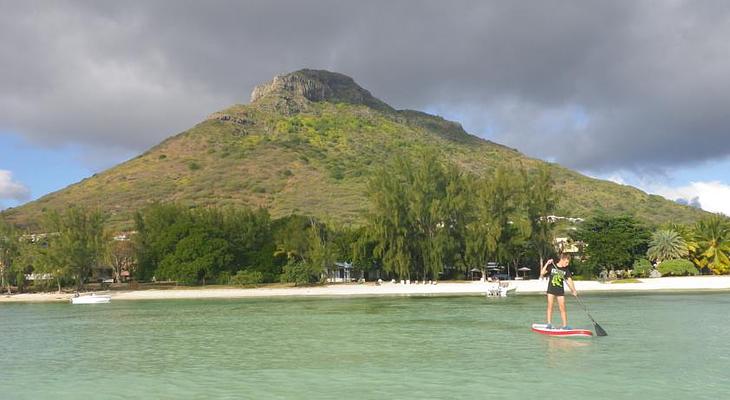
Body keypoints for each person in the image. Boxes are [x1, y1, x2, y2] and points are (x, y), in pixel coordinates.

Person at [539, 253, 578, 329]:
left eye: (568, 263)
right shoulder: (552, 266)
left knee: (562, 308)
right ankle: (549, 324)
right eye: (566, 262)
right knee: (550, 306)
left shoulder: (566, 270)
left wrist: (573, 290)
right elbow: (542, 273)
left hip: (560, 291)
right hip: (551, 290)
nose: (567, 264)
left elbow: (570, 280)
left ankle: (565, 326)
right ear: (562, 260)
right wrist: (547, 263)